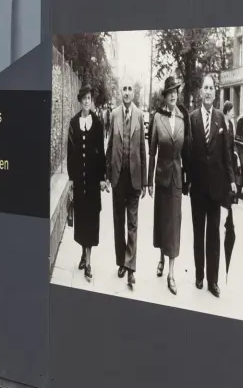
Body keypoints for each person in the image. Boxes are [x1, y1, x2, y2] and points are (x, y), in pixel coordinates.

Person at [182, 71, 236, 297]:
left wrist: (232, 181)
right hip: (198, 188)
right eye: (205, 87)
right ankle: (199, 275)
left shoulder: (221, 120)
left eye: (211, 88)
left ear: (215, 93)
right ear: (200, 92)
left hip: (216, 188)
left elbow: (227, 155)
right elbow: (187, 153)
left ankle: (213, 281)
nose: (208, 91)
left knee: (213, 233)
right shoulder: (192, 118)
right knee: (198, 233)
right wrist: (186, 181)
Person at [106, 81, 149, 291]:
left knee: (133, 224)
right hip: (117, 178)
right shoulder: (114, 115)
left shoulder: (140, 116)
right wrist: (106, 176)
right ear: (120, 92)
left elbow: (143, 149)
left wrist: (145, 181)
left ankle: (131, 268)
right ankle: (122, 261)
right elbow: (110, 147)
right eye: (124, 89)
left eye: (130, 89)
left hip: (134, 180)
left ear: (134, 93)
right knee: (118, 223)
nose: (126, 92)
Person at [64, 85, 107, 282]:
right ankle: (83, 253)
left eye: (89, 98)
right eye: (84, 98)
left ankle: (88, 262)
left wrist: (102, 178)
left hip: (92, 182)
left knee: (91, 219)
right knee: (81, 219)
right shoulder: (74, 123)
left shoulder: (97, 123)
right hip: (79, 182)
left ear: (92, 101)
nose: (87, 101)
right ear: (80, 101)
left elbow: (101, 153)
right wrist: (71, 179)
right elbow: (70, 153)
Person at [148, 77, 185, 295]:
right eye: (170, 91)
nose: (173, 95)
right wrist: (149, 181)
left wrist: (187, 180)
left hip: (176, 180)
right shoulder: (157, 118)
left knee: (174, 225)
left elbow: (185, 153)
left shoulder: (182, 120)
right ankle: (161, 257)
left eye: (176, 91)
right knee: (162, 222)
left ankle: (171, 273)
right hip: (161, 179)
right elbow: (152, 151)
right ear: (165, 96)